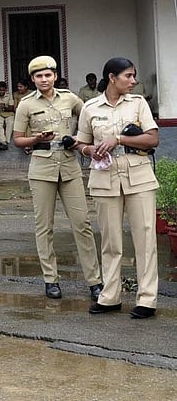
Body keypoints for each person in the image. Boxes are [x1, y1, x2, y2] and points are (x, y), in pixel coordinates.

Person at [12, 56, 102, 301]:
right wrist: (35, 139)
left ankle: (94, 281)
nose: (44, 79)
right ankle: (51, 279)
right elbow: (18, 139)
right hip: (41, 168)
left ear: (54, 76)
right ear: (33, 79)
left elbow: (90, 118)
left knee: (82, 224)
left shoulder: (70, 98)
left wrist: (81, 141)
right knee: (44, 227)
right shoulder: (26, 104)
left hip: (69, 165)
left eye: (47, 75)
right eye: (38, 76)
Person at [77, 57, 159, 319]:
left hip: (139, 178)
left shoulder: (138, 104)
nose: (133, 81)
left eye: (134, 76)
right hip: (105, 178)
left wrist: (119, 138)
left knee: (145, 239)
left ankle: (147, 299)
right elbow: (81, 143)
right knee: (110, 241)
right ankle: (110, 296)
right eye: (128, 76)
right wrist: (89, 149)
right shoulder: (90, 107)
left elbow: (152, 138)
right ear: (112, 77)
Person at [0, 81, 15, 150]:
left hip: (9, 113)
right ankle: (3, 142)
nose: (1, 91)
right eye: (0, 90)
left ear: (5, 90)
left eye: (3, 90)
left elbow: (11, 108)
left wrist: (4, 107)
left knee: (10, 123)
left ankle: (7, 141)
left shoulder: (9, 95)